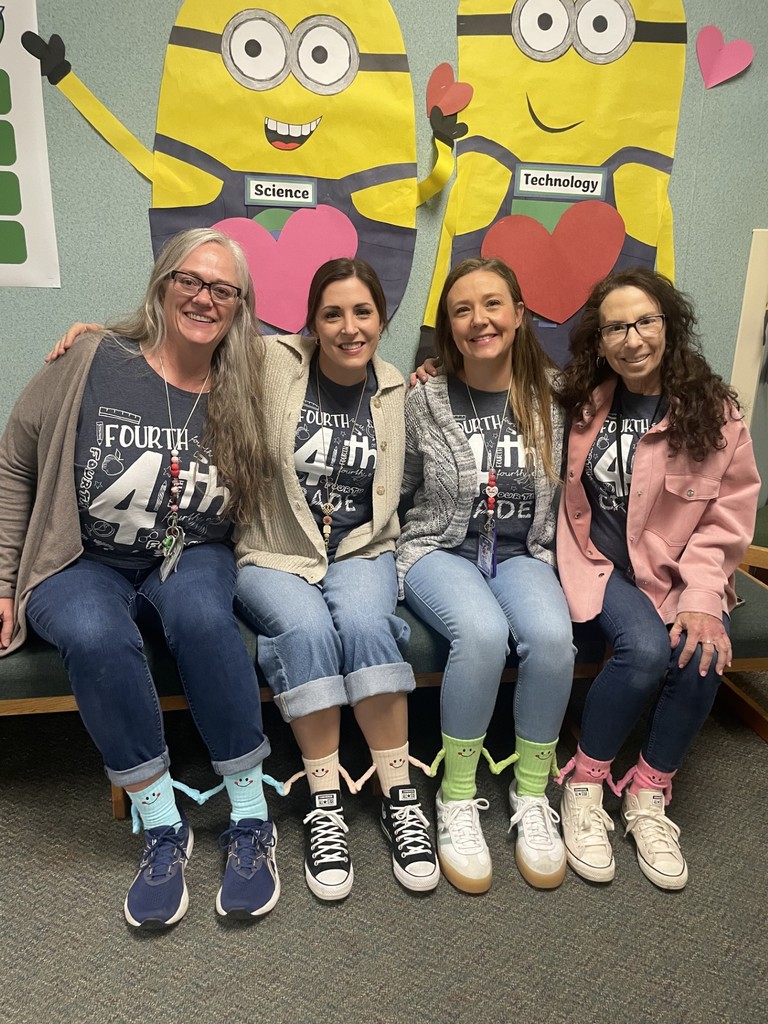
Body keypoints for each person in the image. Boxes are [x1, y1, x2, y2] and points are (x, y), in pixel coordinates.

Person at [0, 228, 280, 928]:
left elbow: (340, 347)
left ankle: (251, 818)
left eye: (223, 289)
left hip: (193, 553)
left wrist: (427, 370)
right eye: (190, 280)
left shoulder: (250, 380)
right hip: (82, 557)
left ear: (240, 306)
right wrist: (3, 584)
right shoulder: (91, 359)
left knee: (205, 619)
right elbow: (15, 462)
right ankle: (162, 828)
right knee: (94, 635)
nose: (204, 298)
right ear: (162, 285)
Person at [233, 258, 439, 900]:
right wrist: (101, 338)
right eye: (333, 314)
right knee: (306, 630)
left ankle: (399, 793)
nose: (350, 328)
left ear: (382, 318)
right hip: (273, 550)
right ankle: (325, 804)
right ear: (312, 323)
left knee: (369, 624)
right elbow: (186, 343)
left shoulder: (397, 387)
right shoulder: (273, 363)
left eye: (363, 312)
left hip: (359, 549)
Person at [556, 267, 760, 890]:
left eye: (645, 322)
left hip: (678, 572)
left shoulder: (715, 414)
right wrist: (434, 370)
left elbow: (726, 519)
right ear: (600, 340)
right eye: (615, 327)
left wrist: (702, 598)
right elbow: (503, 376)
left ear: (669, 325)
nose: (632, 339)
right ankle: (585, 782)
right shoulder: (581, 398)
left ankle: (648, 791)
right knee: (644, 652)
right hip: (598, 562)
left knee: (702, 653)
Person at [398, 256, 575, 893]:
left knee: (552, 640)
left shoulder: (556, 397)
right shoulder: (424, 398)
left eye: (493, 304)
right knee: (480, 634)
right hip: (438, 551)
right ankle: (456, 796)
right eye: (462, 310)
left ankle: (532, 794)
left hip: (521, 553)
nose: (480, 320)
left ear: (519, 314)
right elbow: (400, 487)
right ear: (448, 326)